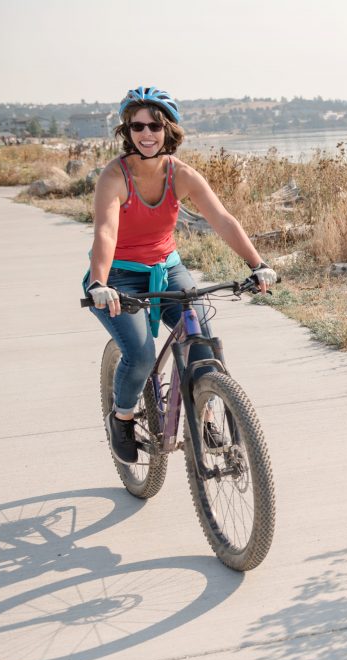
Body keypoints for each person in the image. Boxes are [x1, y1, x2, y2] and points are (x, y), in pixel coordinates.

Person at [84, 86, 276, 465]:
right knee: (139, 355)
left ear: (167, 129)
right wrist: (99, 284)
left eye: (154, 125)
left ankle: (204, 413)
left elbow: (222, 219)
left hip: (167, 269)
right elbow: (105, 232)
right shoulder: (114, 176)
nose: (146, 134)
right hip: (117, 277)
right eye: (137, 126)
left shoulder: (182, 175)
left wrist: (257, 264)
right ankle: (121, 418)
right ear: (128, 131)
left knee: (200, 342)